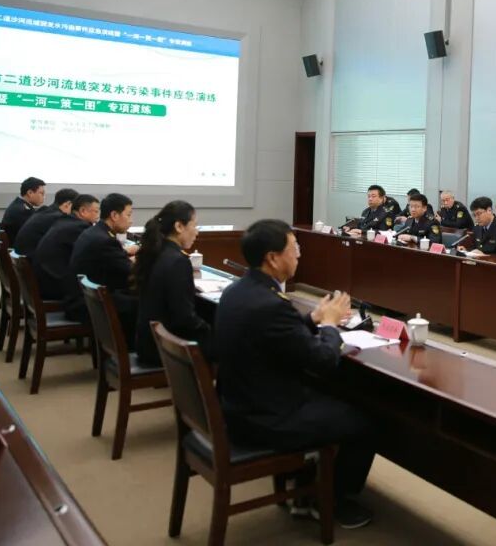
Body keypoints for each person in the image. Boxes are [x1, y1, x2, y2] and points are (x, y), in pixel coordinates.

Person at [216, 220, 375, 529]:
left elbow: (278, 334)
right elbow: (323, 361)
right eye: (294, 248)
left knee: (330, 397)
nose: (299, 254)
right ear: (273, 258)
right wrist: (329, 325)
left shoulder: (239, 291)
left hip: (239, 404)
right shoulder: (270, 304)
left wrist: (313, 318)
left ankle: (306, 484)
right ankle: (330, 500)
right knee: (363, 422)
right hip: (265, 418)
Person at [133, 200, 212, 367]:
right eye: (194, 225)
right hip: (165, 347)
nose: (197, 232)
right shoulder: (177, 261)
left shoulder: (155, 251)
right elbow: (183, 318)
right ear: (179, 227)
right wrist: (209, 329)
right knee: (229, 344)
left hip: (148, 341)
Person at [69, 193, 138, 337]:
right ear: (114, 215)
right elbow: (131, 272)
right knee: (146, 304)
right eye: (128, 215)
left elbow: (117, 262)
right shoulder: (105, 240)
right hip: (87, 305)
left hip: (83, 297)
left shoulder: (94, 232)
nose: (131, 220)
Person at [33, 194, 99, 302]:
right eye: (96, 211)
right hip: (54, 287)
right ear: (83, 211)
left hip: (43, 281)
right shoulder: (79, 228)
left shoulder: (65, 221)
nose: (98, 215)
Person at [12, 188, 78, 256]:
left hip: (22, 255)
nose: (76, 212)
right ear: (68, 204)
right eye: (76, 208)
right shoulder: (58, 217)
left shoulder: (44, 210)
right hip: (31, 257)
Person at [1, 176, 46, 243]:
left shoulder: (18, 204)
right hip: (21, 248)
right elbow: (37, 233)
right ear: (30, 193)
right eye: (41, 193)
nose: (44, 197)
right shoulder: (24, 211)